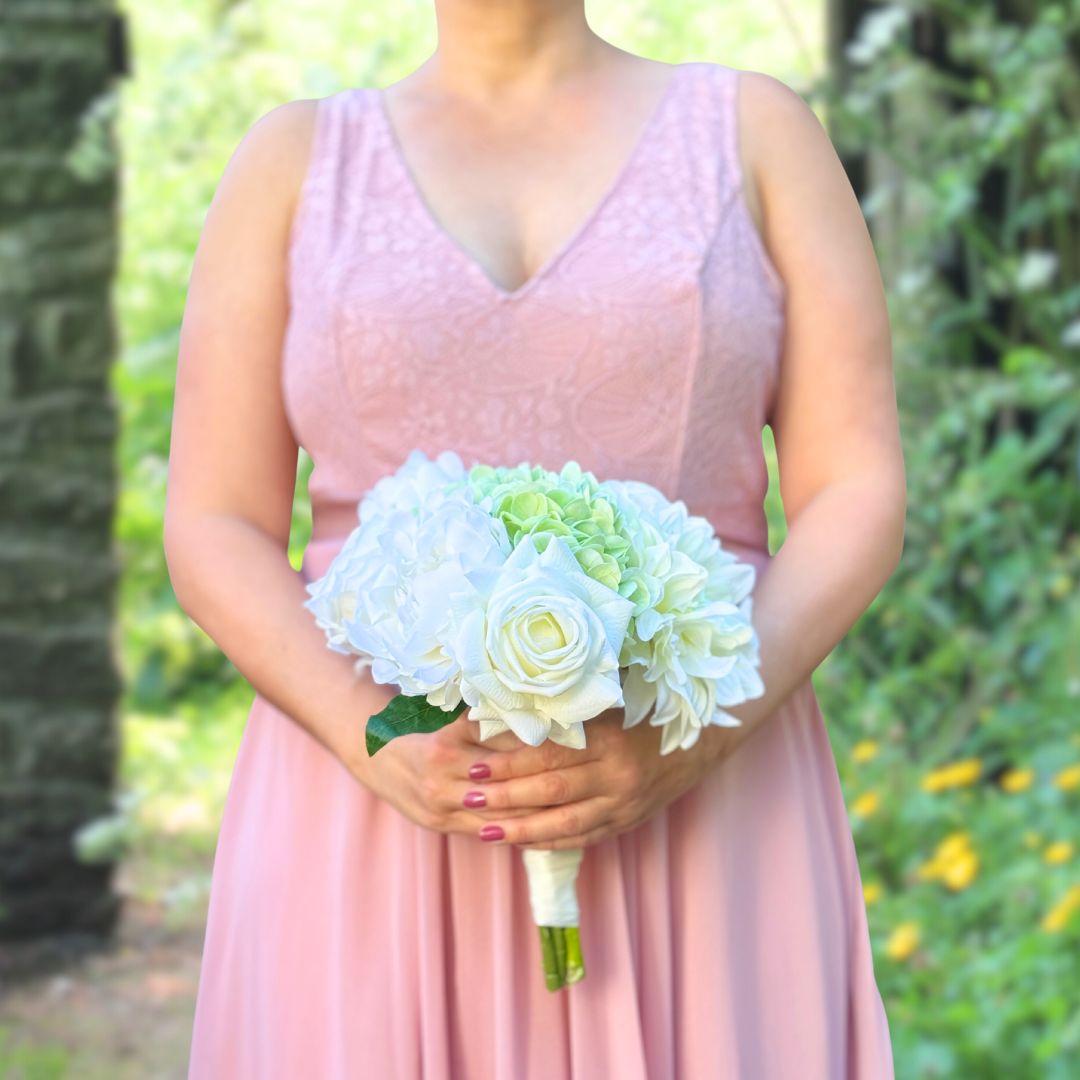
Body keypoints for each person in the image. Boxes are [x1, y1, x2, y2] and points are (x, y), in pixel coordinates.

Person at [166, 3, 904, 1077]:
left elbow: (858, 488)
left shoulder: (755, 132)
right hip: (369, 804)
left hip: (705, 785)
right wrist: (380, 741)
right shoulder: (292, 161)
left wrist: (695, 734)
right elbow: (213, 520)